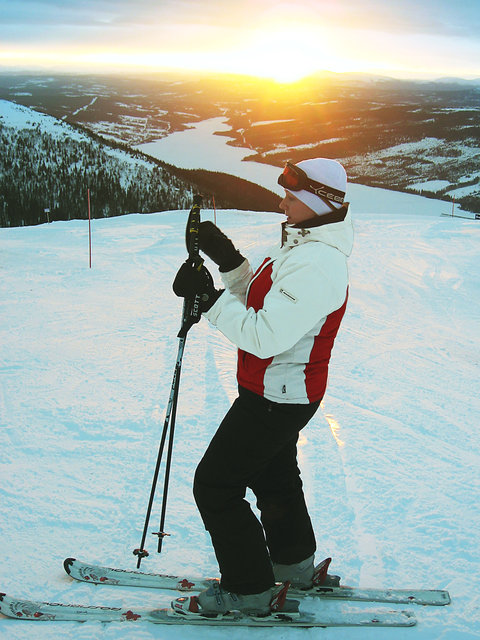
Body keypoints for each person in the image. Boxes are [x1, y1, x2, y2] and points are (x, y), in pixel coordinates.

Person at [172, 157, 354, 616]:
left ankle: (250, 589)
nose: (281, 204)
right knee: (274, 476)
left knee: (215, 486)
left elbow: (265, 335)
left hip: (278, 396)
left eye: (291, 197)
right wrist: (229, 260)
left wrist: (209, 301)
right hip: (279, 391)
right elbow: (261, 299)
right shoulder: (303, 246)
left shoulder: (317, 263)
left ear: (316, 202)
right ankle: (292, 565)